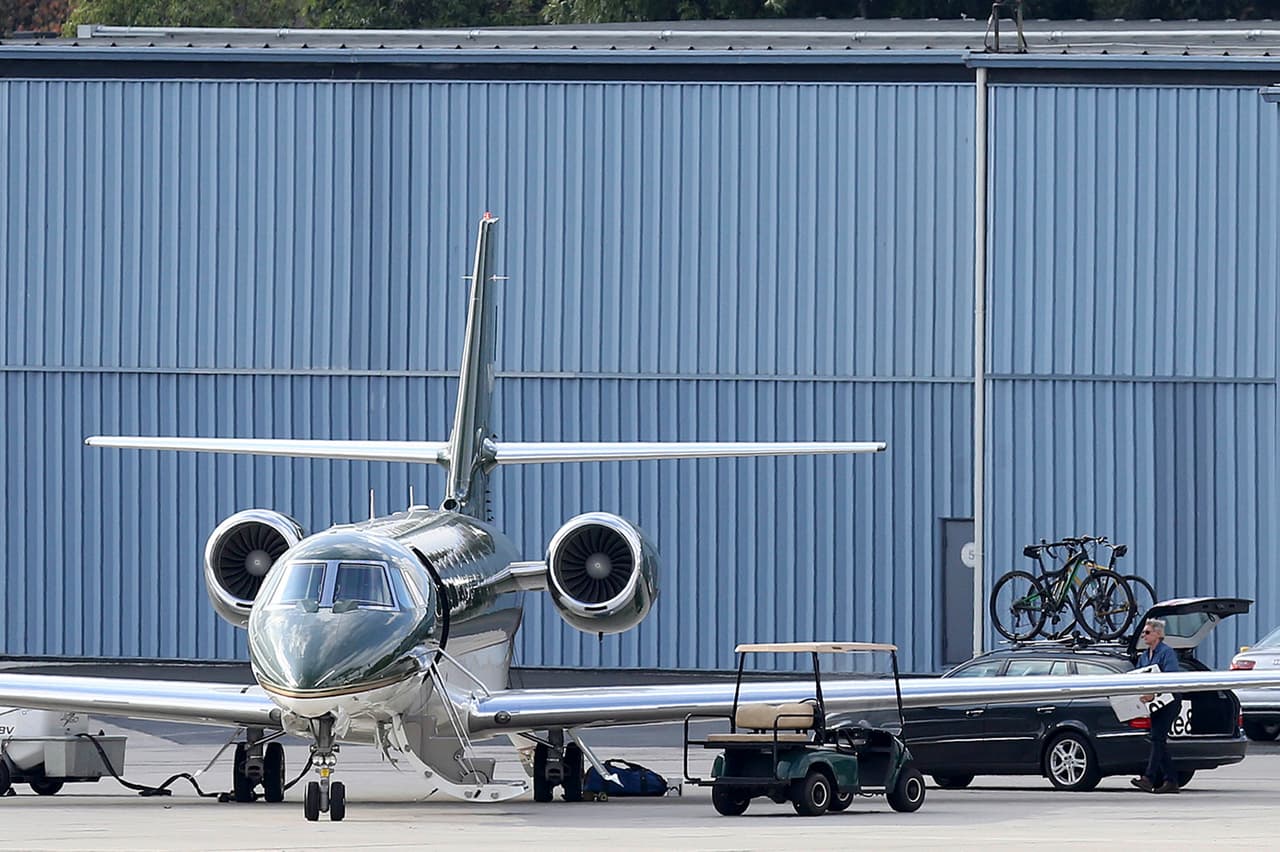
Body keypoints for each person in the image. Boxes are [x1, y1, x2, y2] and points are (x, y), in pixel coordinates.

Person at [1130, 618, 1183, 794]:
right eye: (1143, 633)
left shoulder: (1167, 653)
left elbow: (1171, 678)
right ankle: (1171, 780)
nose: (1143, 636)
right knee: (1158, 739)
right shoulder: (1144, 656)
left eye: (1147, 632)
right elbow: (1139, 677)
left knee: (1157, 737)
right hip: (1155, 705)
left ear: (1158, 634)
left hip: (1169, 701)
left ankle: (1149, 778)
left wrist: (1154, 693)